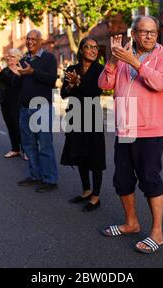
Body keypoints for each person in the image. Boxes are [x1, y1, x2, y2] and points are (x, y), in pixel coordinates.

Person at [98, 16, 163, 254]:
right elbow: (104, 84)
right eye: (144, 32)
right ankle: (131, 223)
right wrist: (113, 59)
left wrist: (134, 62)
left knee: (150, 180)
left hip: (149, 130)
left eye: (153, 32)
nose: (149, 36)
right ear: (134, 33)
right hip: (125, 128)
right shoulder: (123, 56)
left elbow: (161, 82)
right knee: (122, 180)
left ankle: (158, 234)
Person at [60, 37, 106, 212]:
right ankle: (86, 190)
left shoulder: (100, 70)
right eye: (89, 47)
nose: (94, 50)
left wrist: (78, 83)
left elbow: (95, 91)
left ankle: (95, 196)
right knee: (79, 155)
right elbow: (63, 93)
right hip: (75, 116)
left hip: (93, 117)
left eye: (96, 47)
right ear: (81, 50)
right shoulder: (72, 69)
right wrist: (71, 85)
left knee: (95, 156)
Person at [11, 30, 59, 193]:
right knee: (28, 145)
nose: (30, 42)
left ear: (40, 41)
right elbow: (17, 85)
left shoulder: (48, 58)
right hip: (25, 109)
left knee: (44, 145)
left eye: (33, 39)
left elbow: (52, 80)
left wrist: (32, 72)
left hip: (42, 108)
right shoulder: (24, 59)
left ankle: (50, 179)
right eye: (28, 39)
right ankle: (35, 175)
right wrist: (16, 75)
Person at [0, 47, 26, 160]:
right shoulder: (5, 70)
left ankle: (25, 150)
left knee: (18, 127)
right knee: (10, 126)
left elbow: (12, 82)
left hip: (16, 102)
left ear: (18, 58)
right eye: (8, 56)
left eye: (12, 56)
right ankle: (15, 149)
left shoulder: (20, 69)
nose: (9, 58)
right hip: (4, 102)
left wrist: (0, 72)